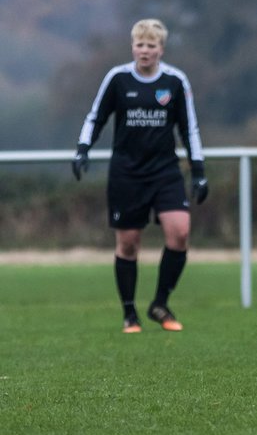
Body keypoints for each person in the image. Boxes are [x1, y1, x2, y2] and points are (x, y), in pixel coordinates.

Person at [72, 18, 207, 333]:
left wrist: (198, 170)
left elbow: (190, 128)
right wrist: (82, 149)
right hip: (127, 172)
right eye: (139, 45)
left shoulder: (175, 81)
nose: (144, 51)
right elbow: (96, 117)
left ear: (161, 49)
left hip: (165, 170)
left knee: (180, 233)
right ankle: (129, 314)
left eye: (151, 45)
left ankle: (160, 303)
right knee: (129, 243)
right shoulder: (118, 79)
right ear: (132, 47)